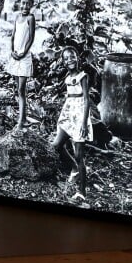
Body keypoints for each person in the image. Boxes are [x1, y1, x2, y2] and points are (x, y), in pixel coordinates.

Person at [53, 45, 93, 202]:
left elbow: (86, 100)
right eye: (66, 58)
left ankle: (82, 191)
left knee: (78, 154)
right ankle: (75, 168)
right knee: (57, 145)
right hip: (69, 114)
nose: (70, 59)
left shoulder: (83, 76)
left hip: (80, 117)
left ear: (78, 59)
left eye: (72, 56)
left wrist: (84, 123)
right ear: (63, 62)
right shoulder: (67, 78)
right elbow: (69, 96)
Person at [5, 0, 36, 130]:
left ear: (32, 5)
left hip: (24, 57)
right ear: (19, 3)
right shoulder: (17, 18)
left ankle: (21, 121)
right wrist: (12, 52)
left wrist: (23, 53)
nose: (25, 6)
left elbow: (31, 38)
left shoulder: (30, 18)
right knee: (19, 90)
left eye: (28, 4)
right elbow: (12, 36)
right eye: (23, 3)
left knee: (21, 89)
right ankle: (23, 118)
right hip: (15, 56)